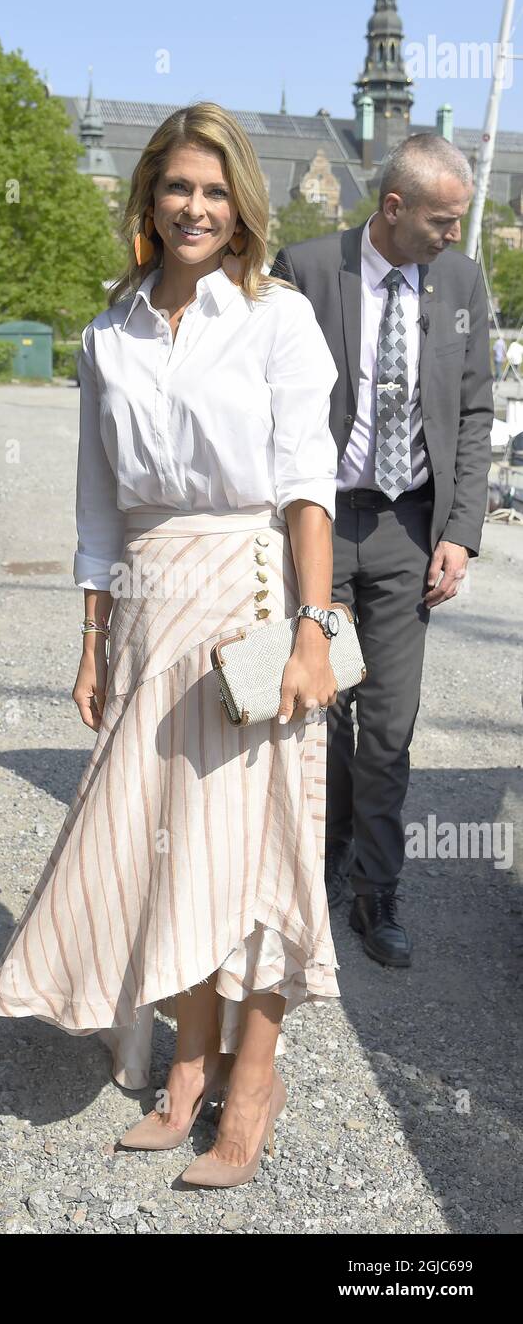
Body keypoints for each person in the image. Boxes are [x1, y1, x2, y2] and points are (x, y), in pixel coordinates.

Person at [0, 101, 342, 1188]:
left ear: (240, 208)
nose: (194, 205)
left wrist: (314, 631)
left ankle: (252, 1082)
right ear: (149, 198)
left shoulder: (276, 318)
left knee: (257, 846)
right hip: (145, 604)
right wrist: (90, 639)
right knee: (166, 843)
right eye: (178, 187)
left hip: (247, 600)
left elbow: (306, 485)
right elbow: (96, 509)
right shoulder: (107, 334)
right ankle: (190, 1064)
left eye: (214, 190)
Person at [270, 134, 494, 967]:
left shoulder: (462, 281)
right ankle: (315, 871)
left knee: (388, 727)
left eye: (461, 221)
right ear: (392, 208)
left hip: (408, 529)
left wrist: (461, 534)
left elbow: (474, 414)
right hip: (320, 523)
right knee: (314, 714)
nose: (453, 234)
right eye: (442, 220)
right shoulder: (307, 268)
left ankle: (376, 896)